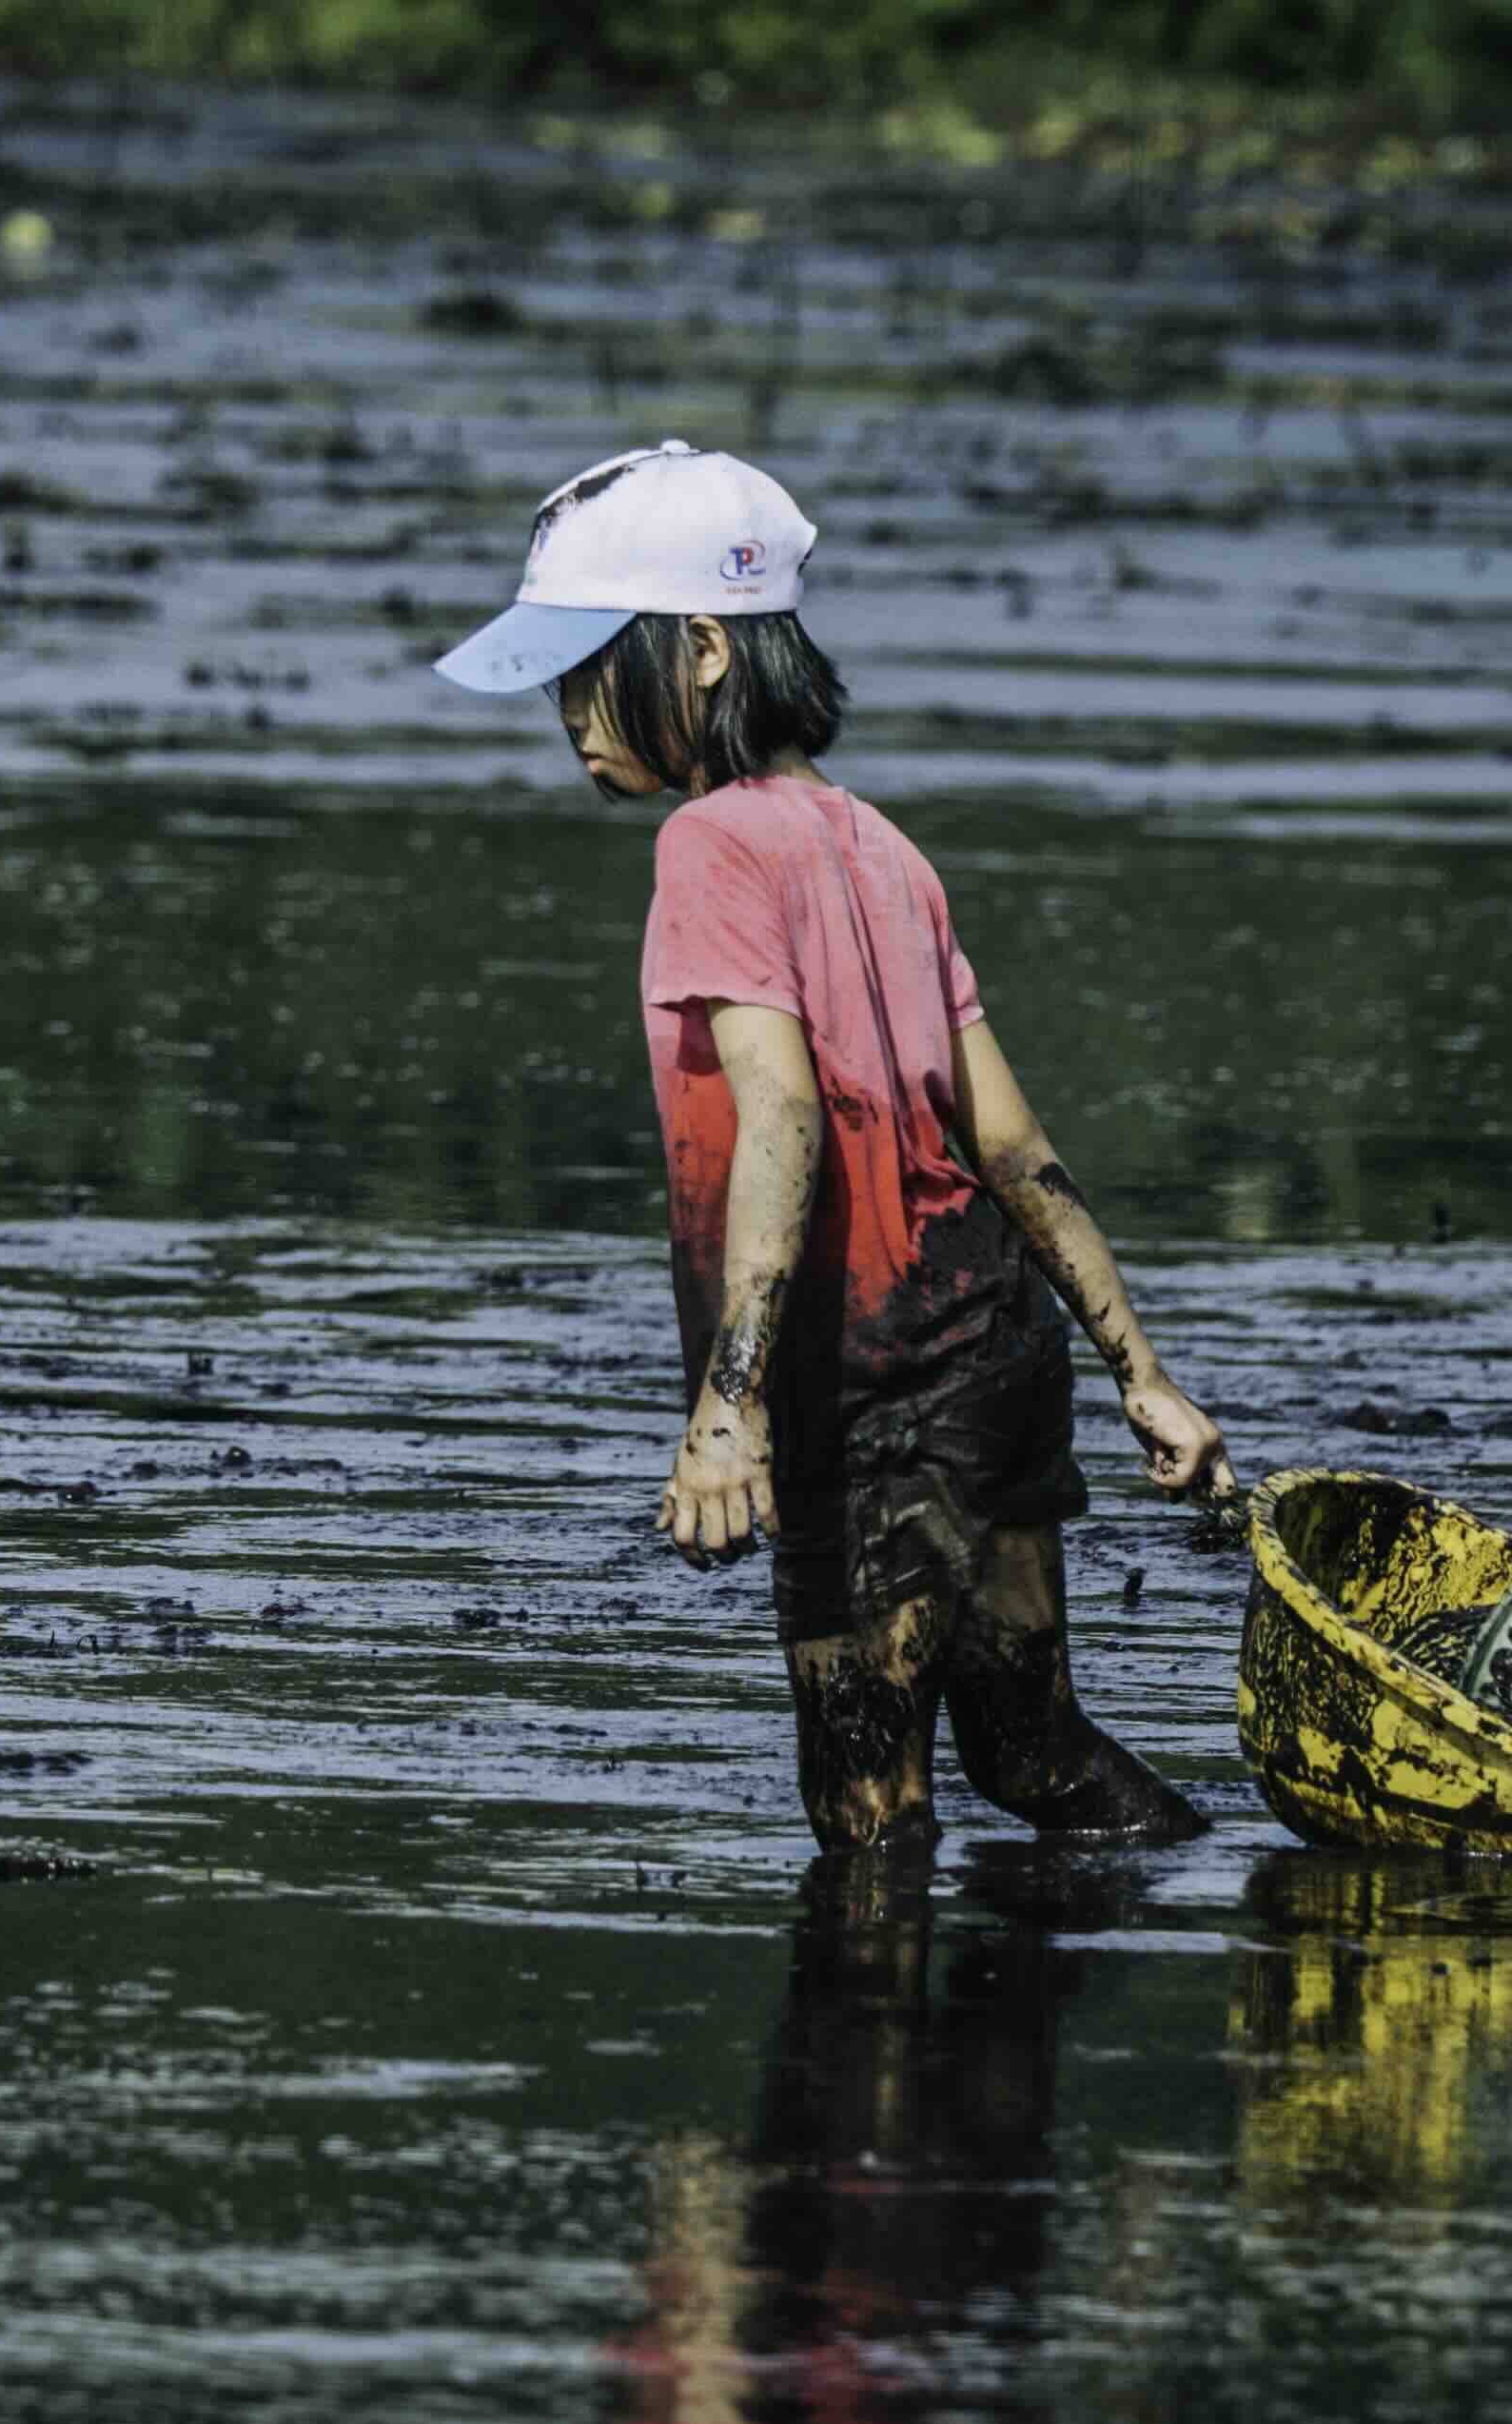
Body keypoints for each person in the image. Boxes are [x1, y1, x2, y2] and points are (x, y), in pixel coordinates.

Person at [434, 441, 1235, 1850]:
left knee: (867, 1808)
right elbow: (1010, 1143)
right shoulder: (879, 846)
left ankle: (904, 2021)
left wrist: (730, 1406)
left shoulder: (708, 848)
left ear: (699, 650)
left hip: (866, 1386)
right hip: (996, 1351)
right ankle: (1226, 1908)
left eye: (586, 668)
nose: (566, 713)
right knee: (1033, 1753)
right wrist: (1143, 1378)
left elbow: (784, 1111)